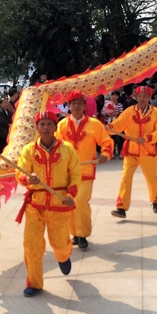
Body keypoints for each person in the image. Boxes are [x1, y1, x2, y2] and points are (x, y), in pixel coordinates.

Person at [16, 112, 79, 296]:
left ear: (55, 127)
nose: (45, 128)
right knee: (32, 246)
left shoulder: (67, 149)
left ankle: (63, 255)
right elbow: (20, 173)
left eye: (49, 124)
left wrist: (70, 194)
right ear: (37, 127)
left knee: (58, 244)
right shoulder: (29, 150)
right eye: (42, 124)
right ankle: (34, 283)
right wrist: (29, 179)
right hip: (35, 205)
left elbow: (75, 174)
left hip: (59, 204)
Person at [55, 91, 113, 250]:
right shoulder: (62, 125)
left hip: (86, 171)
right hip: (67, 172)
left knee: (80, 201)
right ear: (69, 106)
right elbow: (56, 147)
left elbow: (106, 141)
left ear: (84, 105)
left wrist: (105, 154)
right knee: (69, 202)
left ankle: (83, 233)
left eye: (79, 103)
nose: (76, 106)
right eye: (73, 103)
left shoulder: (95, 124)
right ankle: (75, 233)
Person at [108, 85, 157, 217]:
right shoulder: (129, 111)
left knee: (151, 178)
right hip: (131, 150)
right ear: (136, 97)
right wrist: (110, 127)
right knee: (126, 178)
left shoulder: (156, 113)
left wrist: (147, 138)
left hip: (148, 150)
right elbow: (119, 124)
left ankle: (155, 200)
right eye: (140, 96)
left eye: (145, 96)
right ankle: (121, 207)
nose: (142, 98)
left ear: (149, 97)